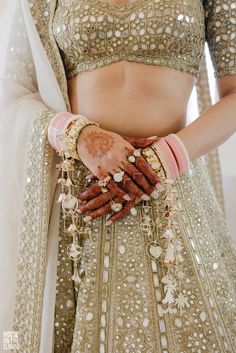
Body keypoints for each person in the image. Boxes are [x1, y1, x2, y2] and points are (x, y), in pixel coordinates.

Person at [0, 0, 236, 352]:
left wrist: (164, 159)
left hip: (172, 194)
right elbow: (11, 91)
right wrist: (77, 134)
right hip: (81, 201)